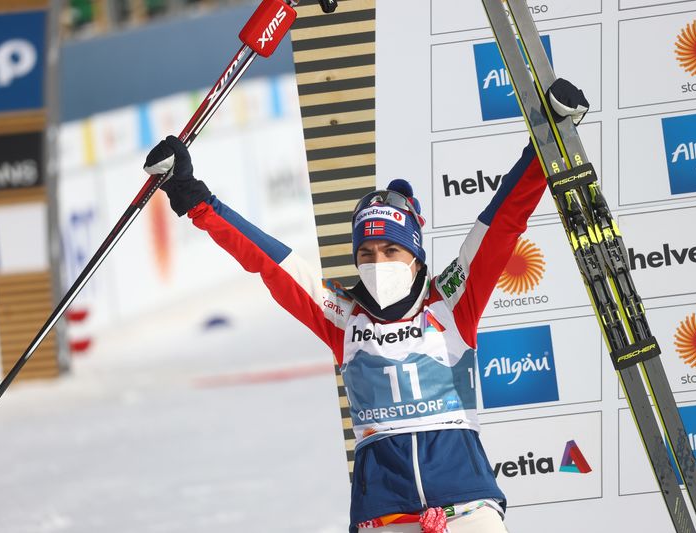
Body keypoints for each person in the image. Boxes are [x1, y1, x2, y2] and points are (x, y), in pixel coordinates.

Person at [142, 79, 589, 532]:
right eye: (366, 254)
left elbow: (502, 223)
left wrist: (545, 145)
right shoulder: (341, 316)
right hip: (385, 515)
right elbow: (269, 260)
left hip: (468, 508)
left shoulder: (452, 302)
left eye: (390, 251)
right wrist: (193, 196)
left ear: (415, 257)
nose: (378, 263)